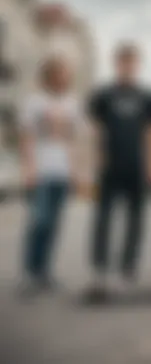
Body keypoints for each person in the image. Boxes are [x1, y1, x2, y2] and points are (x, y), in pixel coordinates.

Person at [87, 44, 151, 297]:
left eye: (132, 62)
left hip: (136, 165)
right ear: (116, 64)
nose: (127, 66)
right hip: (109, 165)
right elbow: (94, 128)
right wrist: (95, 159)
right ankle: (100, 268)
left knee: (136, 219)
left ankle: (128, 266)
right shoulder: (103, 95)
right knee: (103, 217)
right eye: (123, 61)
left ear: (138, 65)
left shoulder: (146, 97)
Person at [19, 55, 82, 295]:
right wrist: (29, 168)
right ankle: (30, 273)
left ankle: (45, 272)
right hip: (41, 171)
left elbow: (74, 139)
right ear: (50, 76)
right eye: (60, 73)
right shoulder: (35, 102)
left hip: (62, 172)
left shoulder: (72, 103)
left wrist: (75, 171)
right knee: (39, 222)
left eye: (67, 74)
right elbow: (27, 136)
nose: (64, 78)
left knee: (55, 224)